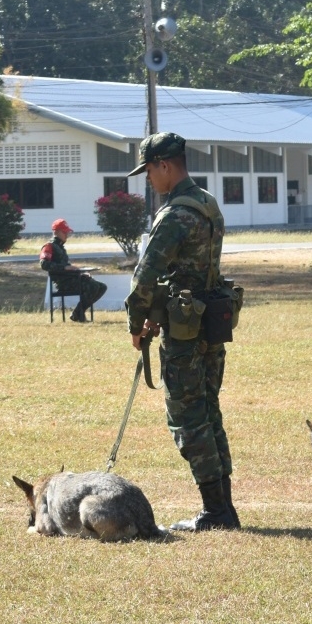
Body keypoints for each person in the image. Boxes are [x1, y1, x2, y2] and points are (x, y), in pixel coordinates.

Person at [125, 132, 240, 532]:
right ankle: (224, 507)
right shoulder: (208, 204)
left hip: (186, 333)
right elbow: (192, 274)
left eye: (150, 172)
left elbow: (145, 278)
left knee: (188, 418)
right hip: (210, 321)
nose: (149, 181)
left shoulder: (174, 215)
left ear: (165, 165)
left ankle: (216, 512)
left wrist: (135, 324)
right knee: (208, 411)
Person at [40, 218, 107, 322]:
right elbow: (44, 264)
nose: (67, 234)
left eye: (67, 232)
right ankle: (78, 314)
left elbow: (66, 266)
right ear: (56, 232)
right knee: (93, 286)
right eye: (64, 232)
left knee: (102, 287)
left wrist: (79, 273)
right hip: (62, 282)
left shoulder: (61, 247)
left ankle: (78, 312)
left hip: (70, 278)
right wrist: (64, 268)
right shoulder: (49, 246)